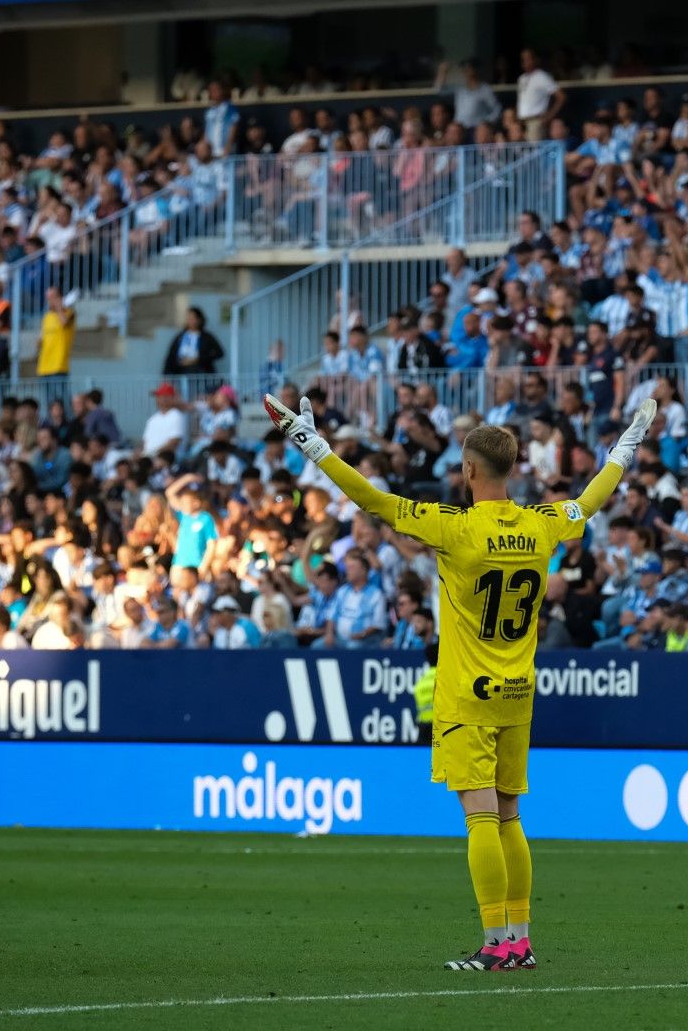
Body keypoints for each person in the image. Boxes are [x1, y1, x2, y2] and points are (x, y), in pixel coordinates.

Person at [266, 389, 656, 972]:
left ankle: (498, 945)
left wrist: (311, 445)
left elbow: (370, 498)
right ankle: (520, 941)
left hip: (467, 693)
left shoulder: (454, 526)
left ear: (470, 470)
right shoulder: (542, 524)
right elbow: (593, 497)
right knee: (510, 815)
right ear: (514, 467)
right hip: (519, 692)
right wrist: (627, 445)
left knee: (479, 818)